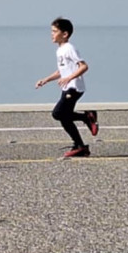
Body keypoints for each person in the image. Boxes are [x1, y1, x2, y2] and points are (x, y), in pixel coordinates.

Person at [34, 17, 96, 158]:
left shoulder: (69, 48)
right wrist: (46, 80)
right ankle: (80, 147)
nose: (52, 34)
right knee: (64, 118)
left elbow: (84, 66)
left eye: (55, 31)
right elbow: (61, 71)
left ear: (65, 34)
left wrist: (69, 78)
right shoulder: (60, 50)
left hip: (74, 88)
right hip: (67, 87)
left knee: (58, 113)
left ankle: (87, 117)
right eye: (51, 31)